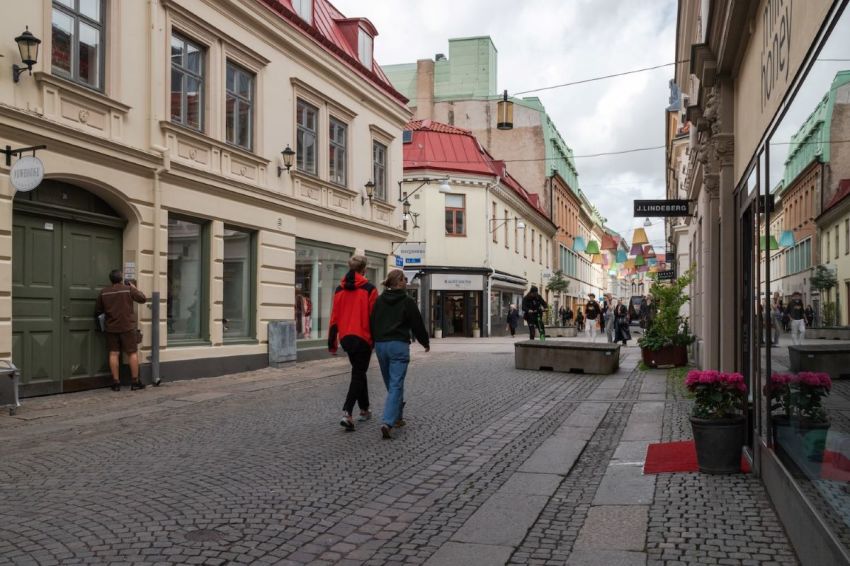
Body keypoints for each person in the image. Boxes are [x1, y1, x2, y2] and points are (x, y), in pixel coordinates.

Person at [371, 270, 429, 440]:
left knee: (392, 383)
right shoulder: (407, 300)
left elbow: (372, 321)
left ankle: (397, 417)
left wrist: (375, 341)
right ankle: (387, 422)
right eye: (404, 279)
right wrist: (425, 342)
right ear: (399, 282)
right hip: (398, 345)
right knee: (396, 384)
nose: (406, 281)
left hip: (381, 345)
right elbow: (417, 323)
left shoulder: (379, 300)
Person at [328, 255, 378, 431]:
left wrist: (332, 343)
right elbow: (374, 318)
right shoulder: (369, 289)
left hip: (346, 338)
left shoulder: (339, 290)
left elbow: (334, 318)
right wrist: (376, 340)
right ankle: (347, 413)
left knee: (359, 372)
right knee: (358, 374)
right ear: (364, 269)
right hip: (363, 338)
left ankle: (364, 410)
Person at [95, 269, 147, 391]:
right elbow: (142, 299)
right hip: (127, 326)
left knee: (113, 353)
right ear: (121, 279)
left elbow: (98, 310)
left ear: (111, 279)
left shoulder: (104, 292)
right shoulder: (128, 289)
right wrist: (134, 288)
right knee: (132, 353)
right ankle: (135, 382)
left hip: (111, 327)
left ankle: (116, 383)